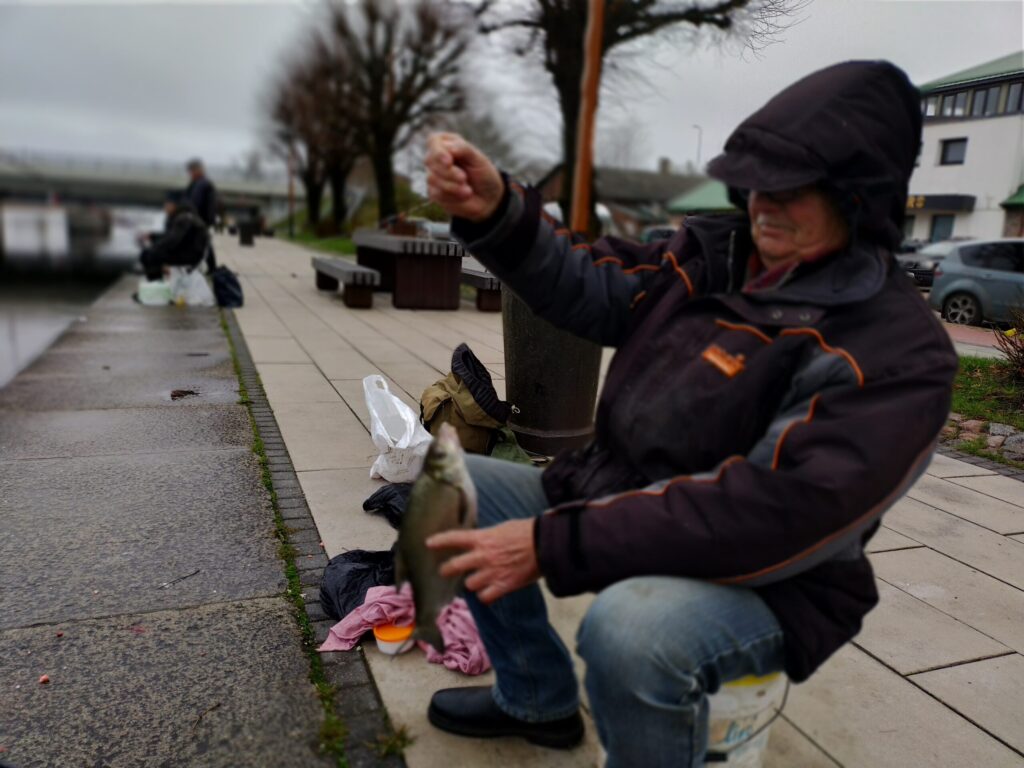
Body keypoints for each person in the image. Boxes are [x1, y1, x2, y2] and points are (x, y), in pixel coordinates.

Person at [421, 61, 958, 766]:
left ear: (862, 199)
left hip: (772, 580)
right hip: (618, 499)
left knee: (632, 633)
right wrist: (496, 212)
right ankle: (536, 698)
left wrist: (555, 543)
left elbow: (773, 513)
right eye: (757, 180)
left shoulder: (896, 353)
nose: (764, 203)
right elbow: (590, 281)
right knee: (454, 488)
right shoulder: (712, 255)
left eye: (793, 189)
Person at [138, 194, 210, 282]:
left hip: (190, 255)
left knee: (149, 255)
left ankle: (156, 286)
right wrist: (152, 236)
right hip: (189, 251)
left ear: (174, 206)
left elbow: (172, 240)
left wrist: (154, 249)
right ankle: (157, 285)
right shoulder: (184, 215)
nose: (165, 208)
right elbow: (171, 236)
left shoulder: (183, 218)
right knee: (152, 253)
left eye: (167, 205)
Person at [185, 158, 218, 271]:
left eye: (192, 171)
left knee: (202, 244)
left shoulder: (202, 184)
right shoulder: (199, 183)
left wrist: (194, 218)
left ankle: (210, 269)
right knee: (203, 244)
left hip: (200, 220)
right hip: (201, 220)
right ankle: (210, 268)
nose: (190, 174)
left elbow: (196, 203)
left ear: (199, 170)